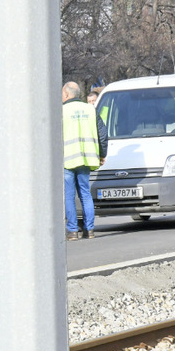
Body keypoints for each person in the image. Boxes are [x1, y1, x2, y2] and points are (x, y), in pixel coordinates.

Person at [62, 81, 107, 241]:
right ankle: (90, 229)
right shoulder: (90, 109)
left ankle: (73, 231)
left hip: (67, 159)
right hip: (87, 158)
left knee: (68, 195)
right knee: (85, 194)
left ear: (66, 94)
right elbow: (102, 133)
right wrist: (102, 153)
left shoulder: (62, 111)